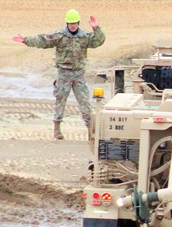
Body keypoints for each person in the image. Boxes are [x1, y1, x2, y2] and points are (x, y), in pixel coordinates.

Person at [13, 9, 105, 140]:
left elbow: (99, 41)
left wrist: (96, 28)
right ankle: (57, 130)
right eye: (70, 23)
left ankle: (91, 131)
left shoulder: (84, 37)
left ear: (78, 23)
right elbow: (43, 40)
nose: (73, 25)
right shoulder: (60, 36)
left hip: (79, 74)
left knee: (85, 102)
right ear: (67, 23)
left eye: (75, 23)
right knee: (60, 101)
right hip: (64, 73)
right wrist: (26, 40)